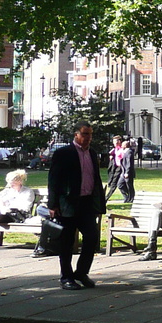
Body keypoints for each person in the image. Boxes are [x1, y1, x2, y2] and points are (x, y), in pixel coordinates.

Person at [47, 122, 105, 290]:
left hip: (86, 203)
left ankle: (81, 272)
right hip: (68, 204)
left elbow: (95, 178)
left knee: (92, 238)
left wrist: (99, 201)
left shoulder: (92, 153)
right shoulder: (63, 153)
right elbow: (54, 179)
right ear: (76, 134)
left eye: (90, 135)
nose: (88, 138)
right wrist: (53, 204)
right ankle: (66, 277)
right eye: (85, 134)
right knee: (66, 242)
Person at [104, 135, 125, 201]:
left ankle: (106, 198)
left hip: (120, 167)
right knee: (120, 184)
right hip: (115, 167)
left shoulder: (122, 149)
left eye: (115, 142)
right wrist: (112, 155)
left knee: (114, 183)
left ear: (119, 141)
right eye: (113, 142)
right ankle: (128, 197)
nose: (114, 143)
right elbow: (112, 153)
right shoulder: (116, 148)